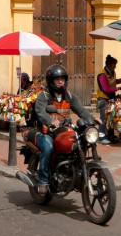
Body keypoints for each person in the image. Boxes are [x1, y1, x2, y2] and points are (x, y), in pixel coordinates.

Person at [34, 64, 94, 194]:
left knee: (79, 144)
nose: (60, 81)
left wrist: (91, 119)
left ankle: (73, 173)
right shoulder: (43, 96)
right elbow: (40, 112)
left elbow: (81, 110)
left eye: (62, 78)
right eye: (57, 79)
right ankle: (43, 181)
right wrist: (50, 121)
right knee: (48, 148)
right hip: (46, 132)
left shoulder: (69, 96)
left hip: (64, 131)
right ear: (51, 81)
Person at [96, 54, 121, 145]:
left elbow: (113, 81)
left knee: (111, 118)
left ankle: (109, 136)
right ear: (109, 65)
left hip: (111, 99)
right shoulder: (102, 75)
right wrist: (118, 89)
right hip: (103, 99)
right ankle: (101, 137)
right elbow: (105, 88)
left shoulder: (112, 72)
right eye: (114, 65)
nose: (115, 66)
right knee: (103, 118)